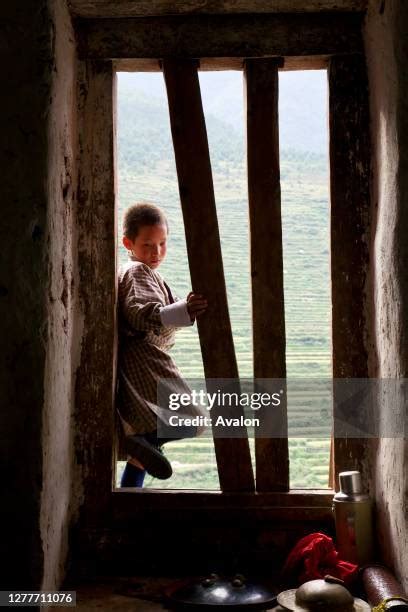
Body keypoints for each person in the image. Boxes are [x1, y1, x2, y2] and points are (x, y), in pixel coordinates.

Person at [116, 202, 208, 488]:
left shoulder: (143, 271)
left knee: (147, 451)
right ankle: (142, 442)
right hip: (147, 358)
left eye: (162, 244)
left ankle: (132, 487)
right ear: (128, 243)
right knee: (193, 419)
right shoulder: (137, 272)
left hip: (150, 358)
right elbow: (140, 311)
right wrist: (183, 310)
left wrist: (183, 310)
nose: (156, 253)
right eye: (148, 245)